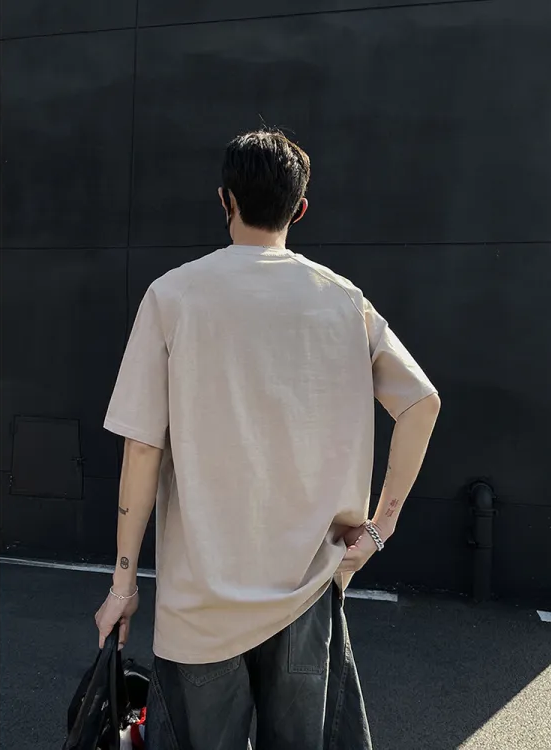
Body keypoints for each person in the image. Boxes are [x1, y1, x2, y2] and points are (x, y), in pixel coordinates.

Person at [94, 129, 440, 750]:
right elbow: (421, 403)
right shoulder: (343, 301)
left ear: (224, 199)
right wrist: (379, 530)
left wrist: (123, 585)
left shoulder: (172, 296)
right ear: (299, 209)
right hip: (305, 592)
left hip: (199, 604)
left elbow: (141, 448)